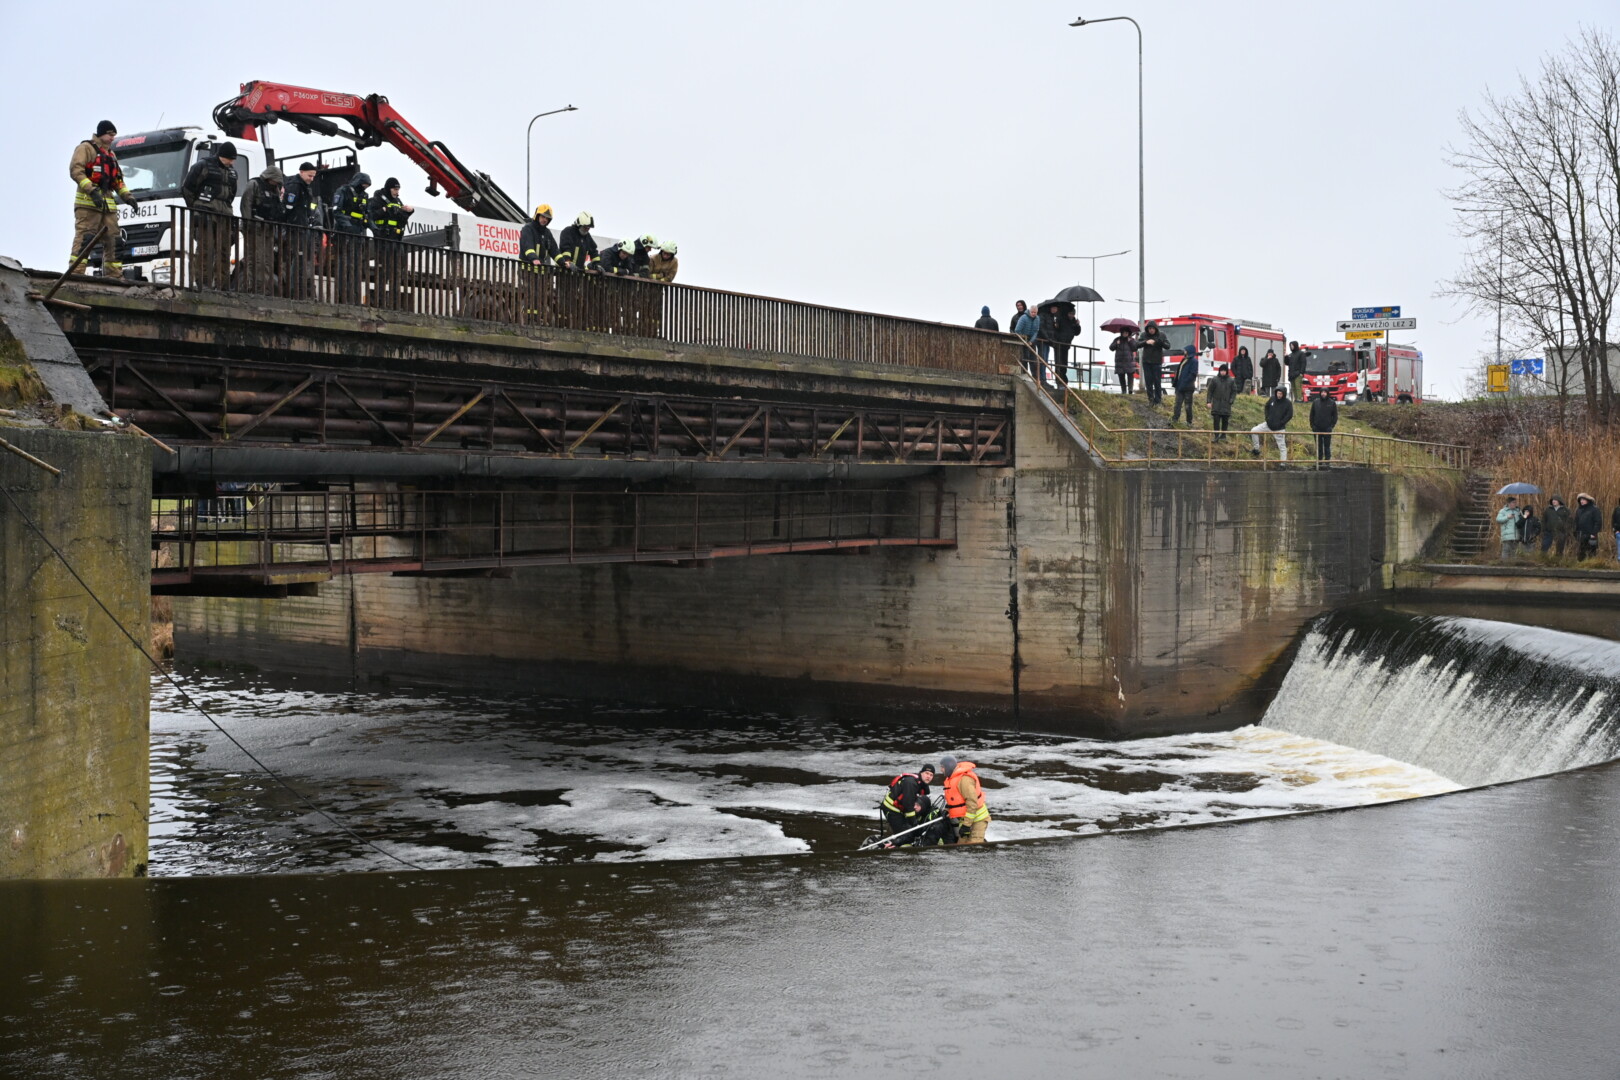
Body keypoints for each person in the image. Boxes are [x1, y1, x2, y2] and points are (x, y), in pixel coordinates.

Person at [68, 120, 138, 276]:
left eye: (114, 135)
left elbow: (118, 180)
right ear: (101, 134)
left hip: (107, 206)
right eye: (110, 134)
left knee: (114, 241)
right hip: (87, 205)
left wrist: (128, 197)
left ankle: (114, 276)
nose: (113, 138)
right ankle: (76, 274)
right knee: (85, 239)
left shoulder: (111, 154)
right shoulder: (85, 148)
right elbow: (76, 171)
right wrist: (92, 191)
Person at [180, 141, 239, 290]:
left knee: (224, 251)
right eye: (230, 159)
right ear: (222, 156)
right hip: (205, 214)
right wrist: (196, 208)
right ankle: (203, 284)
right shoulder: (203, 166)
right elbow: (187, 188)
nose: (232, 162)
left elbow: (231, 194)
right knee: (205, 250)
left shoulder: (232, 172)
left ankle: (222, 285)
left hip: (225, 216)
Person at [368, 178, 414, 310]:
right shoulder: (377, 199)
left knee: (396, 271)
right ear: (389, 188)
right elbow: (371, 216)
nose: (397, 192)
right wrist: (384, 210)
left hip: (396, 240)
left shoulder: (398, 201)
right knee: (383, 271)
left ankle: (394, 302)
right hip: (383, 240)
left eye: (398, 189)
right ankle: (380, 300)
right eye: (395, 189)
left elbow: (402, 220)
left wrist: (409, 211)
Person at [238, 165, 286, 292]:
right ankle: (254, 287)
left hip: (268, 229)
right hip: (255, 228)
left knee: (268, 260)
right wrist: (248, 224)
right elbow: (246, 205)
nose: (276, 183)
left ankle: (265, 288)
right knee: (255, 259)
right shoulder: (254, 184)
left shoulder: (275, 189)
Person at [328, 172, 372, 303]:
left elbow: (367, 214)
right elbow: (336, 211)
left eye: (367, 186)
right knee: (344, 265)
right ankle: (342, 297)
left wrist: (372, 226)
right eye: (363, 185)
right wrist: (347, 226)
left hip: (358, 234)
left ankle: (354, 297)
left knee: (356, 266)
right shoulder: (343, 191)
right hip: (344, 233)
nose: (364, 187)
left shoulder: (364, 196)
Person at [937, 755, 991, 845]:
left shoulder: (964, 780)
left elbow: (972, 804)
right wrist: (947, 810)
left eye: (942, 767)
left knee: (972, 847)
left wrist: (966, 825)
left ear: (948, 767)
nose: (941, 770)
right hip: (966, 819)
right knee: (961, 847)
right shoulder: (952, 779)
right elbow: (955, 800)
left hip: (978, 819)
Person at [880, 764, 936, 845]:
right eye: (927, 773)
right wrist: (914, 824)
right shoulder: (911, 783)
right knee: (905, 835)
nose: (929, 776)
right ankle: (888, 845)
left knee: (909, 830)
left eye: (931, 775)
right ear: (921, 773)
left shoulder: (922, 784)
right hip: (891, 809)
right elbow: (908, 806)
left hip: (901, 810)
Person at [1249, 386, 1293, 459]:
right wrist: (1267, 418)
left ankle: (1283, 463)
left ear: (1284, 394)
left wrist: (1281, 423)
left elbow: (1289, 415)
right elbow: (1266, 406)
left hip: (1279, 428)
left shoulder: (1288, 403)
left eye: (1281, 394)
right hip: (1268, 425)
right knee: (1253, 431)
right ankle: (1256, 449)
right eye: (1278, 393)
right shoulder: (1272, 398)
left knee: (1282, 446)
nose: (1279, 395)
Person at [1048, 305, 1081, 385]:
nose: (1071, 315)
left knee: (1064, 364)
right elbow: (1056, 329)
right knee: (1058, 363)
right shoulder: (1061, 319)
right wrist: (1056, 324)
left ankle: (1063, 380)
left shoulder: (1074, 321)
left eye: (1073, 314)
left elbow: (1077, 333)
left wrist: (1078, 325)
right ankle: (1059, 380)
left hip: (1066, 345)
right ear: (1067, 313)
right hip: (1058, 344)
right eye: (1070, 314)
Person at [1138, 320, 1168, 405]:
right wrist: (1145, 342)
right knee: (1148, 381)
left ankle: (1158, 400)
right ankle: (1150, 399)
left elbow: (1168, 346)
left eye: (1152, 328)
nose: (1151, 330)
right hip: (1146, 362)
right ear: (1147, 329)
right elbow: (1137, 344)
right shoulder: (1144, 335)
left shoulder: (1161, 335)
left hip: (1157, 362)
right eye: (1149, 328)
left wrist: (1158, 342)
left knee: (1157, 381)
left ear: (1155, 329)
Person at [1205, 362, 1236, 440]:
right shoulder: (1215, 380)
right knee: (1216, 420)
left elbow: (1234, 391)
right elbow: (1210, 391)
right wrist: (1208, 401)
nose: (1223, 372)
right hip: (1216, 404)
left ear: (1226, 371)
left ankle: (1223, 435)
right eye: (1221, 370)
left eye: (1224, 371)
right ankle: (1216, 436)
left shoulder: (1231, 381)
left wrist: (1231, 400)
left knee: (1225, 420)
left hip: (1226, 404)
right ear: (1219, 371)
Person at [1309, 390, 1339, 462]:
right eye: (1322, 392)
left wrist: (1331, 426)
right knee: (1318, 446)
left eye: (1325, 392)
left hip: (1327, 428)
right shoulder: (1316, 402)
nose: (1323, 394)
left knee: (1327, 446)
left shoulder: (1332, 403)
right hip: (1317, 428)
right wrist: (1312, 425)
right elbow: (1312, 414)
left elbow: (1335, 416)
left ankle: (1327, 462)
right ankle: (1319, 462)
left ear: (1327, 393)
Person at [1171, 344, 1199, 425]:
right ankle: (1175, 419)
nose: (1184, 351)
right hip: (1180, 386)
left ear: (1189, 351)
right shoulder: (1184, 360)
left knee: (1188, 406)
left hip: (1188, 387)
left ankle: (1189, 422)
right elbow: (1179, 372)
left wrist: (1184, 382)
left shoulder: (1194, 361)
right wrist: (1177, 383)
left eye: (1185, 350)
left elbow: (1193, 374)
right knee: (1177, 404)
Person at [1109, 329, 1138, 394]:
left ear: (1129, 333)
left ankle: (1130, 390)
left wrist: (1130, 342)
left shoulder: (1131, 340)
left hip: (1129, 361)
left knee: (1130, 375)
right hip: (1120, 362)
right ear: (1121, 333)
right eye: (1124, 332)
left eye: (1126, 332)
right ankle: (1123, 391)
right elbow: (1111, 348)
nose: (1125, 334)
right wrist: (1116, 344)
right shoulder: (1117, 339)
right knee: (1121, 376)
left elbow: (1135, 348)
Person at [1574, 493, 1602, 560]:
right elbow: (1576, 522)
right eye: (1580, 500)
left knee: (1592, 552)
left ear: (1588, 500)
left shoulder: (1594, 509)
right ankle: (1581, 564)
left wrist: (1594, 533)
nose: (1581, 501)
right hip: (1581, 534)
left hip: (1591, 534)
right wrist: (1576, 532)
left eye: (1583, 500)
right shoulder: (1579, 510)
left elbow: (1598, 522)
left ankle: (1592, 564)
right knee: (1581, 552)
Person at [1496, 496, 1521, 561]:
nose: (1515, 504)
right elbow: (1498, 519)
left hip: (1516, 535)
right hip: (1507, 535)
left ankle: (1513, 564)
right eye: (1513, 502)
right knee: (1506, 550)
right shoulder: (1503, 511)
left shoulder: (1518, 511)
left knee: (1515, 552)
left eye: (1515, 502)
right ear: (1509, 503)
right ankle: (1505, 564)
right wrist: (1507, 517)